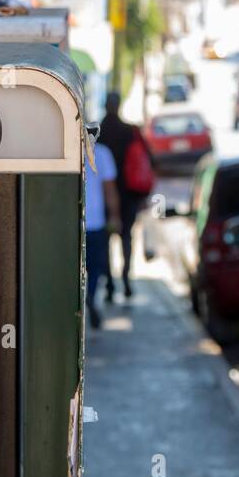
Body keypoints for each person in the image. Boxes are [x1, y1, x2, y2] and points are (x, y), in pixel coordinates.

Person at [98, 91, 153, 300]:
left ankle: (110, 284)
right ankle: (126, 280)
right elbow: (149, 160)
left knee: (105, 240)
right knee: (126, 238)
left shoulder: (97, 132)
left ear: (105, 106)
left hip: (105, 194)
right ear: (119, 105)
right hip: (129, 193)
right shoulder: (131, 131)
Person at [85, 140, 120, 330]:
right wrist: (114, 216)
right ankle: (90, 294)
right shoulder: (102, 153)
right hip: (95, 221)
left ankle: (81, 299)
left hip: (71, 223)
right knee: (95, 266)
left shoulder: (64, 148)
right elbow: (109, 190)